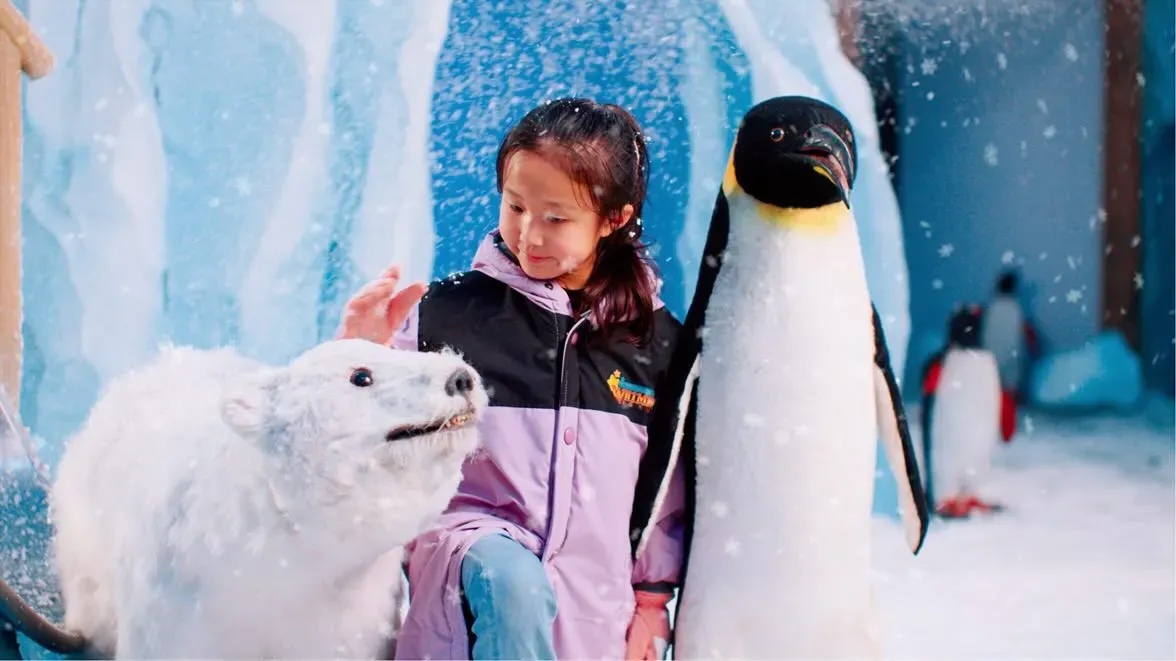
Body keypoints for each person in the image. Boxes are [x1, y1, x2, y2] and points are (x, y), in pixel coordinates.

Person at [337, 97, 687, 660]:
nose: (528, 234)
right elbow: (355, 438)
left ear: (614, 219)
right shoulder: (447, 315)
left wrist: (650, 602)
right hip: (465, 584)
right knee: (511, 582)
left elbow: (662, 493)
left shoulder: (654, 343)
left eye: (556, 218)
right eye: (515, 205)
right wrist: (360, 353)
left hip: (591, 613)